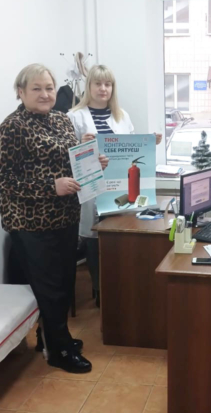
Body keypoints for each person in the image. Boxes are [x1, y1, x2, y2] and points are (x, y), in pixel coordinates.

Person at [0, 64, 106, 373]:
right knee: (50, 288)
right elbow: (1, 181)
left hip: (65, 216)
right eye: (36, 88)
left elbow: (69, 163)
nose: (45, 94)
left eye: (49, 88)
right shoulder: (11, 128)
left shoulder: (61, 119)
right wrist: (48, 186)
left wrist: (92, 163)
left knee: (65, 281)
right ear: (21, 92)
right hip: (30, 223)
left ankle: (51, 337)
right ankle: (59, 350)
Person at [68, 64, 162, 303]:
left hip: (120, 187)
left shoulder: (122, 115)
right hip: (93, 188)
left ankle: (120, 289)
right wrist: (79, 143)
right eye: (98, 83)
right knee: (94, 240)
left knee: (119, 237)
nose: (103, 88)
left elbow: (131, 149)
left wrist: (149, 142)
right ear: (88, 86)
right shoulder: (74, 117)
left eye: (108, 84)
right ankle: (101, 292)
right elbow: (66, 157)